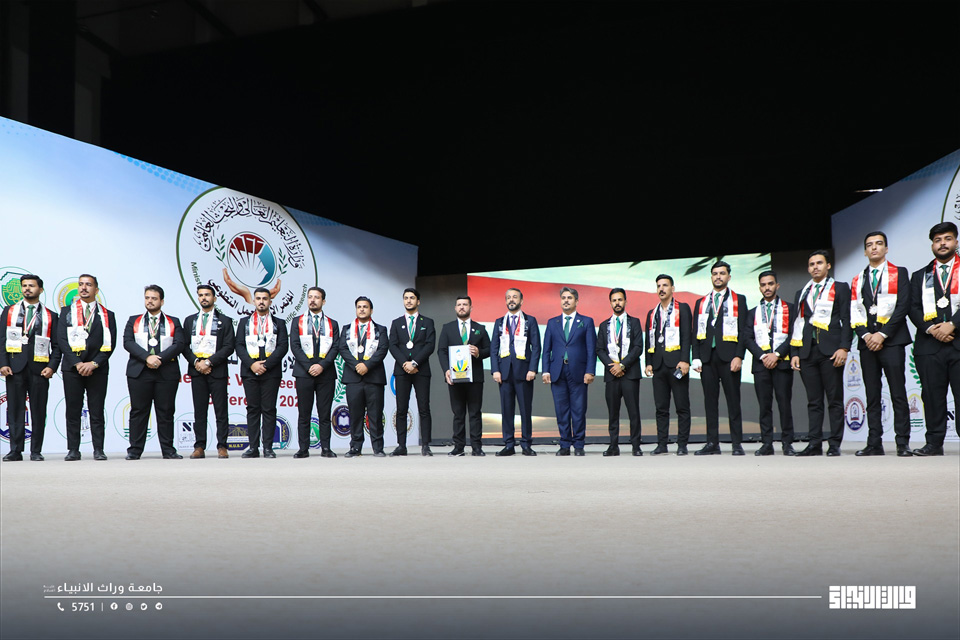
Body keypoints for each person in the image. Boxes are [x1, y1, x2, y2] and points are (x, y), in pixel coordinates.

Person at [851, 231, 912, 457]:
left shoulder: (899, 272)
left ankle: (902, 442)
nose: (874, 248)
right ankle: (874, 443)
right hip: (868, 343)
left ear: (886, 249)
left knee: (898, 392)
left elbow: (903, 306)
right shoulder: (858, 279)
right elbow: (854, 311)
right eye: (870, 245)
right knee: (872, 394)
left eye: (879, 244)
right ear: (865, 251)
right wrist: (867, 335)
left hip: (892, 341)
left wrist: (883, 334)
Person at [790, 250, 851, 456]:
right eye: (811, 264)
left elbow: (847, 319)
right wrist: (795, 351)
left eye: (819, 263)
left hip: (831, 351)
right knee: (814, 401)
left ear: (828, 265)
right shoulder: (802, 292)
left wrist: (844, 347)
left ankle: (834, 444)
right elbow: (797, 323)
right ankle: (814, 444)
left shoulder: (840, 288)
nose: (815, 267)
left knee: (834, 399)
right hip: (807, 352)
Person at [908, 222, 960, 456]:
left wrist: (953, 324)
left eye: (947, 239)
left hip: (958, 343)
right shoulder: (920, 275)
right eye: (938, 240)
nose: (942, 244)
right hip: (929, 346)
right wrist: (932, 329)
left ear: (956, 242)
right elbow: (912, 308)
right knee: (931, 396)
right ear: (932, 245)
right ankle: (934, 443)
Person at [57, 274, 117, 461]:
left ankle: (98, 449)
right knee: (73, 410)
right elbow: (61, 340)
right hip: (72, 368)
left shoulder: (107, 315)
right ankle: (73, 449)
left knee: (97, 410)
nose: (84, 288)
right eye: (81, 284)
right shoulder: (66, 312)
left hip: (97, 369)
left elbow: (110, 344)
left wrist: (94, 363)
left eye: (88, 285)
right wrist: (77, 363)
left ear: (96, 290)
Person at [0, 275, 61, 461]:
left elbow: (57, 346)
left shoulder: (51, 316)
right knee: (15, 409)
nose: (27, 288)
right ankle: (15, 450)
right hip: (14, 367)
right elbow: (1, 340)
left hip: (40, 369)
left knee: (38, 410)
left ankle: (36, 451)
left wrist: (52, 367)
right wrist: (3, 363)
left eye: (31, 286)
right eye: (24, 286)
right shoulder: (9, 311)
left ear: (40, 290)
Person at [691, 261, 748, 455]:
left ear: (729, 277)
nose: (718, 276)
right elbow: (695, 333)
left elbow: (743, 331)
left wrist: (739, 356)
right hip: (707, 358)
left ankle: (736, 443)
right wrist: (696, 357)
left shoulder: (739, 300)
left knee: (733, 401)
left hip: (729, 357)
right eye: (715, 273)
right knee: (710, 402)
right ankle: (712, 443)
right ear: (711, 277)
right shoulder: (701, 302)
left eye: (722, 273)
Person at [123, 285, 185, 460]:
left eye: (154, 298)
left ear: (162, 301)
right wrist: (147, 358)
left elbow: (179, 344)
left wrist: (159, 359)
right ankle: (134, 450)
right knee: (138, 411)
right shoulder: (134, 320)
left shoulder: (174, 321)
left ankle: (168, 450)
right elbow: (128, 342)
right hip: (139, 372)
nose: (150, 301)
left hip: (166, 372)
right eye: (147, 298)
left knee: (166, 412)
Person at [744, 270, 796, 456]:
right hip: (761, 365)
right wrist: (763, 356)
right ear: (760, 288)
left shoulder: (789, 308)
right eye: (763, 285)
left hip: (782, 363)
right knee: (764, 406)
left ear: (777, 285)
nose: (767, 287)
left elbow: (794, 335)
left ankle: (787, 443)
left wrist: (777, 354)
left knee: (784, 404)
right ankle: (767, 444)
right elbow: (747, 338)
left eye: (770, 284)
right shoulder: (752, 312)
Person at [181, 284, 236, 459]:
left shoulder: (225, 321)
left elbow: (229, 346)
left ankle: (222, 446)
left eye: (207, 295)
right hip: (197, 370)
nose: (204, 298)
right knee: (199, 410)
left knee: (221, 410)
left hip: (217, 370)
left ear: (214, 298)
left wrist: (209, 362)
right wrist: (197, 362)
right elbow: (184, 345)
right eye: (201, 295)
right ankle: (199, 446)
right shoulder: (190, 320)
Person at [542, 287, 597, 456]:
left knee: (578, 410)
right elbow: (546, 349)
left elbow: (591, 349)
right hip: (557, 371)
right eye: (563, 298)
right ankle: (564, 445)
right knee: (561, 411)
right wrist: (545, 371)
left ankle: (579, 445)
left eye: (570, 298)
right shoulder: (552, 322)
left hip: (579, 372)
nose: (566, 300)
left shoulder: (586, 321)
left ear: (576, 301)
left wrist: (590, 371)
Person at [235, 287, 289, 458]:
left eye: (265, 299)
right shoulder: (244, 322)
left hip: (271, 371)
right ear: (253, 301)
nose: (261, 302)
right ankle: (253, 447)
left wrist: (266, 365)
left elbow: (283, 346)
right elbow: (239, 346)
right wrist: (252, 365)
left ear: (270, 302)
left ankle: (268, 447)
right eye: (258, 298)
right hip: (250, 371)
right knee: (252, 409)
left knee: (269, 409)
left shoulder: (279, 323)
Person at [644, 275, 692, 455]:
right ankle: (662, 444)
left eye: (665, 285)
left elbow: (687, 336)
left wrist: (685, 360)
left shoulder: (682, 308)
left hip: (677, 365)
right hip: (658, 365)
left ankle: (682, 445)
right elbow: (649, 339)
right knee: (661, 408)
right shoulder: (652, 313)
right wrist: (648, 362)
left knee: (682, 406)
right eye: (658, 286)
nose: (661, 289)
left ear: (673, 288)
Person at [437, 295, 491, 456]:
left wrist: (479, 352)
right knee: (458, 413)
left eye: (465, 304)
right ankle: (458, 447)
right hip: (455, 377)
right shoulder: (447, 328)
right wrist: (446, 370)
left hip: (475, 378)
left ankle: (477, 447)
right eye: (459, 304)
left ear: (471, 308)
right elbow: (441, 351)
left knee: (475, 413)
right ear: (455, 308)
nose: (462, 307)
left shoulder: (480, 328)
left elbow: (489, 349)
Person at [290, 286, 340, 458]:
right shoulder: (297, 321)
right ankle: (303, 449)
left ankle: (326, 448)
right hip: (304, 373)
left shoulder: (332, 323)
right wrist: (309, 366)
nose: (312, 300)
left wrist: (322, 366)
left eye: (316, 297)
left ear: (323, 301)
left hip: (326, 373)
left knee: (324, 413)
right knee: (304, 413)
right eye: (310, 297)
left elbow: (335, 347)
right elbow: (294, 346)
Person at [490, 287, 541, 456]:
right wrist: (495, 370)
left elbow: (536, 347)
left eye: (515, 297)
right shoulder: (499, 322)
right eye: (508, 297)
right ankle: (509, 444)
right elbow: (494, 348)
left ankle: (526, 444)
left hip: (524, 372)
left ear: (521, 301)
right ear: (506, 301)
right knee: (506, 410)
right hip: (504, 373)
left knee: (525, 410)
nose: (511, 300)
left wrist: (533, 369)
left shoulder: (529, 321)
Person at [387, 287, 436, 456]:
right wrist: (405, 364)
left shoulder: (427, 322)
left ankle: (426, 445)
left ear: (418, 301)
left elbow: (430, 345)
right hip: (402, 371)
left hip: (421, 370)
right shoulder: (396, 323)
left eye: (412, 298)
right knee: (401, 409)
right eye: (406, 298)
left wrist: (414, 363)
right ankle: (401, 445)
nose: (409, 301)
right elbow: (392, 346)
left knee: (424, 408)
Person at [339, 296, 389, 457]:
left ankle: (378, 448)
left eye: (365, 307)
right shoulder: (347, 329)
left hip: (374, 377)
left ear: (371, 310)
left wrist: (367, 365)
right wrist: (357, 365)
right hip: (353, 377)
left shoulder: (380, 329)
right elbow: (342, 349)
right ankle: (355, 447)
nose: (362, 309)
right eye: (359, 307)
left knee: (375, 414)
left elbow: (382, 349)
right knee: (355, 415)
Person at [596, 288, 644, 456]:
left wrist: (622, 365)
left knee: (633, 412)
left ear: (625, 301)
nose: (617, 303)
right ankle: (613, 446)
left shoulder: (634, 322)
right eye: (614, 300)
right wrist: (613, 366)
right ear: (610, 303)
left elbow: (638, 347)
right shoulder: (604, 325)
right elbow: (599, 349)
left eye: (620, 300)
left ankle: (636, 446)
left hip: (630, 374)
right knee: (613, 412)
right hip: (612, 375)